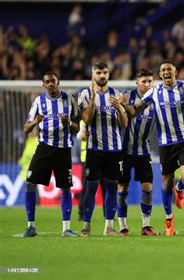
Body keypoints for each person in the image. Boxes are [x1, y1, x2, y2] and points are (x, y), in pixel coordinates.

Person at [124, 61, 184, 236]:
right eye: (163, 70)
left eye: (169, 69)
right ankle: (169, 218)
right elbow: (134, 111)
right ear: (160, 76)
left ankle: (180, 189)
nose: (166, 72)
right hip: (165, 144)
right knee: (166, 182)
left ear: (175, 72)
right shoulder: (154, 92)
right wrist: (123, 105)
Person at [22, 71, 80, 237]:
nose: (50, 84)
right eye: (47, 82)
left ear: (58, 82)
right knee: (30, 183)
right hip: (44, 148)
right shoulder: (39, 102)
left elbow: (78, 127)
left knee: (66, 188)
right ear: (43, 84)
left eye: (53, 81)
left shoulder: (70, 100)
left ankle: (66, 229)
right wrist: (35, 121)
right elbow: (26, 129)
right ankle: (31, 226)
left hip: (63, 149)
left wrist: (68, 122)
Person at [78, 62, 128, 237]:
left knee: (112, 187)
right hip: (94, 149)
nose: (102, 75)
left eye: (105, 72)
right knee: (91, 187)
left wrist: (120, 109)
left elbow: (124, 124)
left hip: (114, 149)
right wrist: (93, 99)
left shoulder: (116, 94)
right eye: (98, 72)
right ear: (93, 75)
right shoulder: (84, 94)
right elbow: (86, 118)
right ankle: (86, 226)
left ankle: (109, 227)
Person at [116, 68, 158, 236]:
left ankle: (146, 225)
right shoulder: (126, 97)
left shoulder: (156, 99)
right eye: (144, 82)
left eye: (150, 81)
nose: (147, 84)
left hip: (144, 150)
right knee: (122, 187)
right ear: (137, 83)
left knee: (147, 186)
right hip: (124, 151)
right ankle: (122, 226)